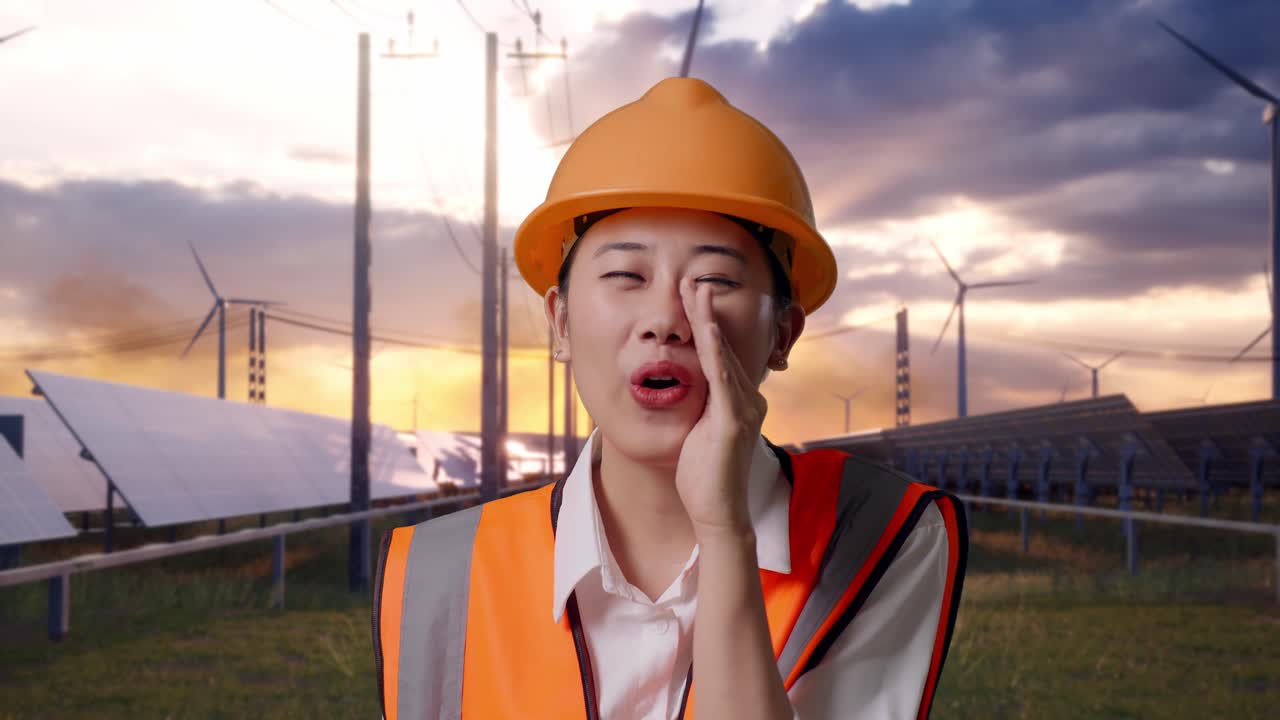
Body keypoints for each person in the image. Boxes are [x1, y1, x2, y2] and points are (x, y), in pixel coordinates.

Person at [373, 76, 967, 720]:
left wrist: (726, 535)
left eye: (714, 280)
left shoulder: (882, 531)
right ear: (562, 323)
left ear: (782, 334)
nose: (667, 319)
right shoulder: (440, 573)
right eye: (625, 276)